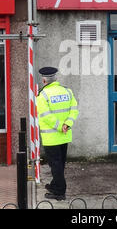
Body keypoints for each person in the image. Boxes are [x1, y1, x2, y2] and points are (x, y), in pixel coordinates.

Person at [36, 67, 79, 201]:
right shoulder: (67, 91)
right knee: (60, 164)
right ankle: (55, 185)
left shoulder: (43, 95)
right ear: (55, 78)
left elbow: (46, 116)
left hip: (51, 137)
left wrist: (60, 126)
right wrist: (67, 124)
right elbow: (74, 109)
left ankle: (59, 192)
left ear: (44, 80)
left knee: (55, 165)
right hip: (65, 135)